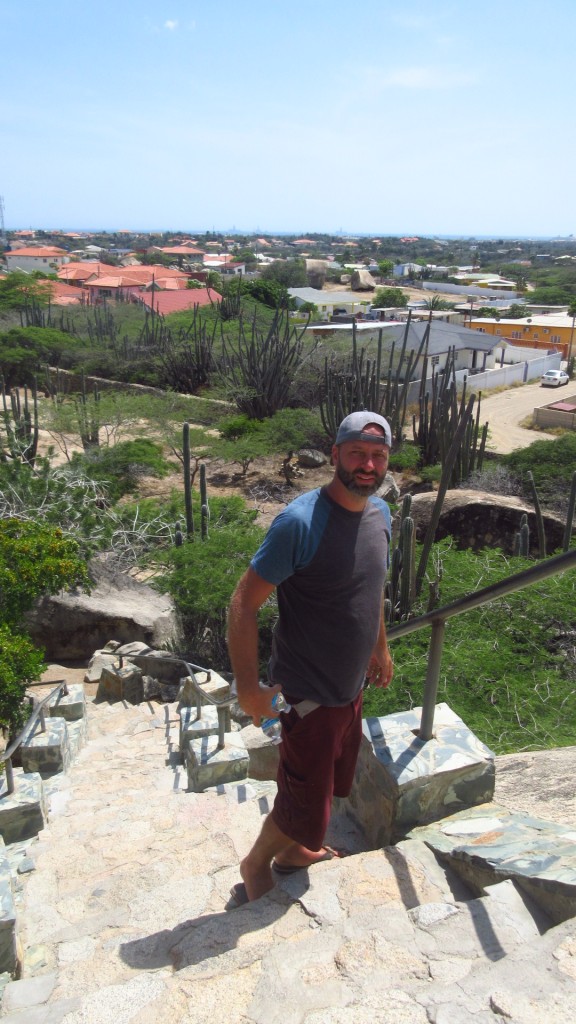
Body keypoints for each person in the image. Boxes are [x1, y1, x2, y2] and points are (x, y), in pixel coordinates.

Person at [226, 411, 394, 904]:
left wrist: (379, 646)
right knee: (304, 799)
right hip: (307, 696)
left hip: (349, 688)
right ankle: (257, 862)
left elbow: (372, 587)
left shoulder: (379, 514)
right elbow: (242, 603)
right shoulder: (299, 523)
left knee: (330, 788)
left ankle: (296, 852)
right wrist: (248, 690)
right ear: (336, 454)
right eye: (358, 453)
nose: (368, 464)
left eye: (378, 456)